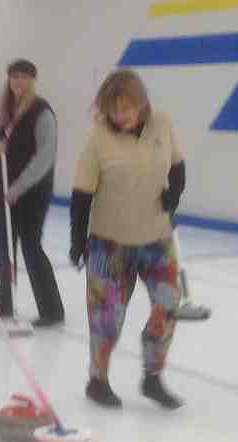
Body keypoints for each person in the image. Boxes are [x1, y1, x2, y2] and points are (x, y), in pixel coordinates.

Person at [69, 69, 186, 409]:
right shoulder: (98, 137)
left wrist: (173, 196)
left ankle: (152, 377)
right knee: (106, 319)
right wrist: (78, 242)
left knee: (168, 306)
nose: (119, 117)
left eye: (126, 109)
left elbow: (177, 167)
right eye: (112, 110)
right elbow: (81, 194)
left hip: (156, 239)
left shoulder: (161, 122)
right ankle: (98, 380)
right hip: (110, 243)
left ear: (141, 104)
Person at [0, 59, 64, 328]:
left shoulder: (42, 111)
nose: (17, 81)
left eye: (23, 76)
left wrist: (18, 188)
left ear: (32, 79)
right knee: (4, 246)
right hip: (3, 188)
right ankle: (4, 300)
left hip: (32, 192)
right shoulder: (6, 110)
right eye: (13, 76)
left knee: (30, 246)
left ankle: (52, 309)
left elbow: (45, 157)